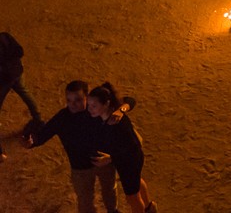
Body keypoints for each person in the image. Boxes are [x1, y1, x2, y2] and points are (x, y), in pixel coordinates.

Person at [28, 80, 135, 213]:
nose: (72, 105)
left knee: (110, 190)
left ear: (87, 97)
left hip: (104, 162)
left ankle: (112, 210)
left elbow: (128, 101)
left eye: (78, 100)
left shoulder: (95, 109)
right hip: (80, 168)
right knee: (85, 200)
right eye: (69, 100)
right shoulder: (63, 118)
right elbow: (43, 135)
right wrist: (31, 142)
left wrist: (120, 111)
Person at [87, 83, 156, 213]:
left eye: (94, 106)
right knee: (137, 182)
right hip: (127, 161)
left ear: (106, 104)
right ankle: (149, 207)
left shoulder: (118, 123)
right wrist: (121, 109)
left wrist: (110, 159)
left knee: (132, 198)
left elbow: (131, 149)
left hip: (129, 163)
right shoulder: (109, 113)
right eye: (89, 105)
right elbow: (128, 101)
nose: (89, 109)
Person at [0, 32, 43, 161]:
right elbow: (20, 51)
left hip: (3, 81)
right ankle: (38, 119)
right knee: (25, 93)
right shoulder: (5, 36)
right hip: (17, 73)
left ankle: (0, 153)